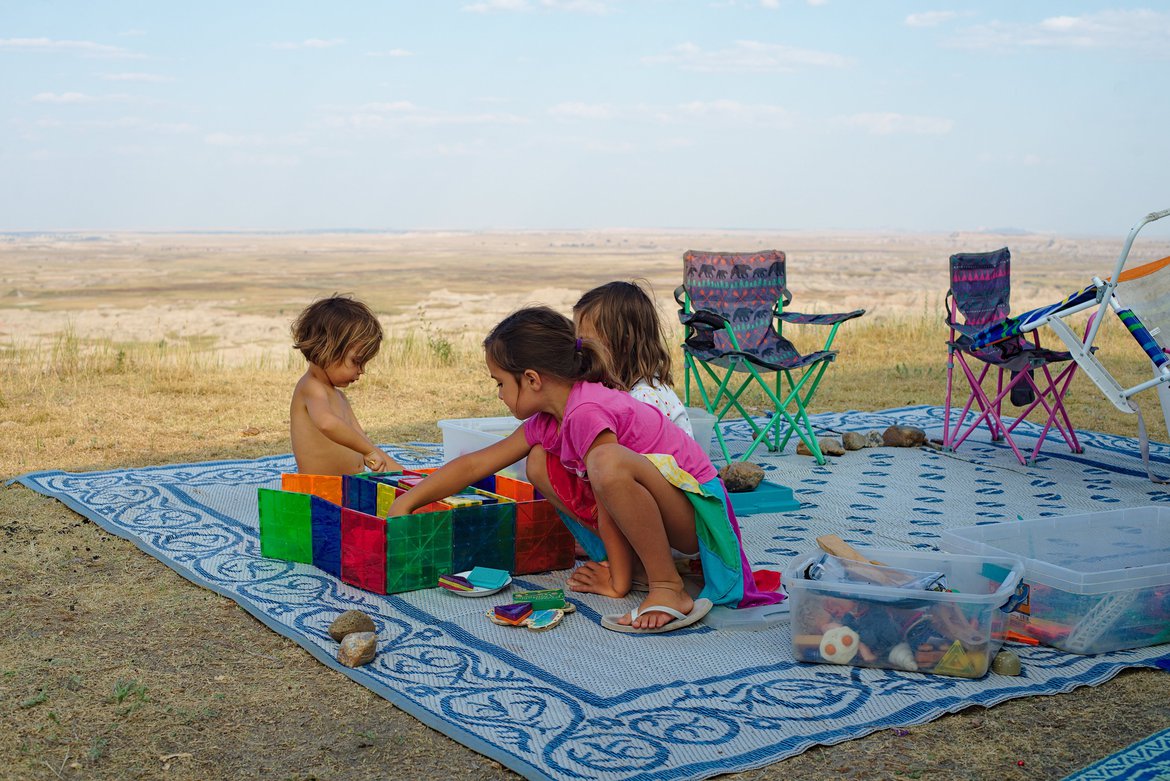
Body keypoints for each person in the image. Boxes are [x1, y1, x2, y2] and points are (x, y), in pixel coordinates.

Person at [388, 306, 781, 634]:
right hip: (661, 510)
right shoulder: (548, 419)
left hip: (698, 515)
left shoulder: (586, 411)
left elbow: (608, 485)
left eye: (500, 384)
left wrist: (617, 581)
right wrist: (407, 502)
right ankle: (643, 565)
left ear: (531, 380)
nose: (499, 395)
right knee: (540, 459)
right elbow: (476, 463)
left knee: (604, 463)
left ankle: (667, 586)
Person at [289, 295, 401, 476]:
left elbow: (364, 442)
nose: (361, 370)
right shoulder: (311, 387)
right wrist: (368, 452)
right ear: (326, 348)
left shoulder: (340, 397)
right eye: (356, 361)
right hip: (319, 492)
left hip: (346, 488)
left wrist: (407, 478)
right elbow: (327, 423)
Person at [574, 280, 692, 436]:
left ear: (624, 343)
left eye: (584, 341)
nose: (578, 348)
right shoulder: (622, 387)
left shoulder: (642, 400)